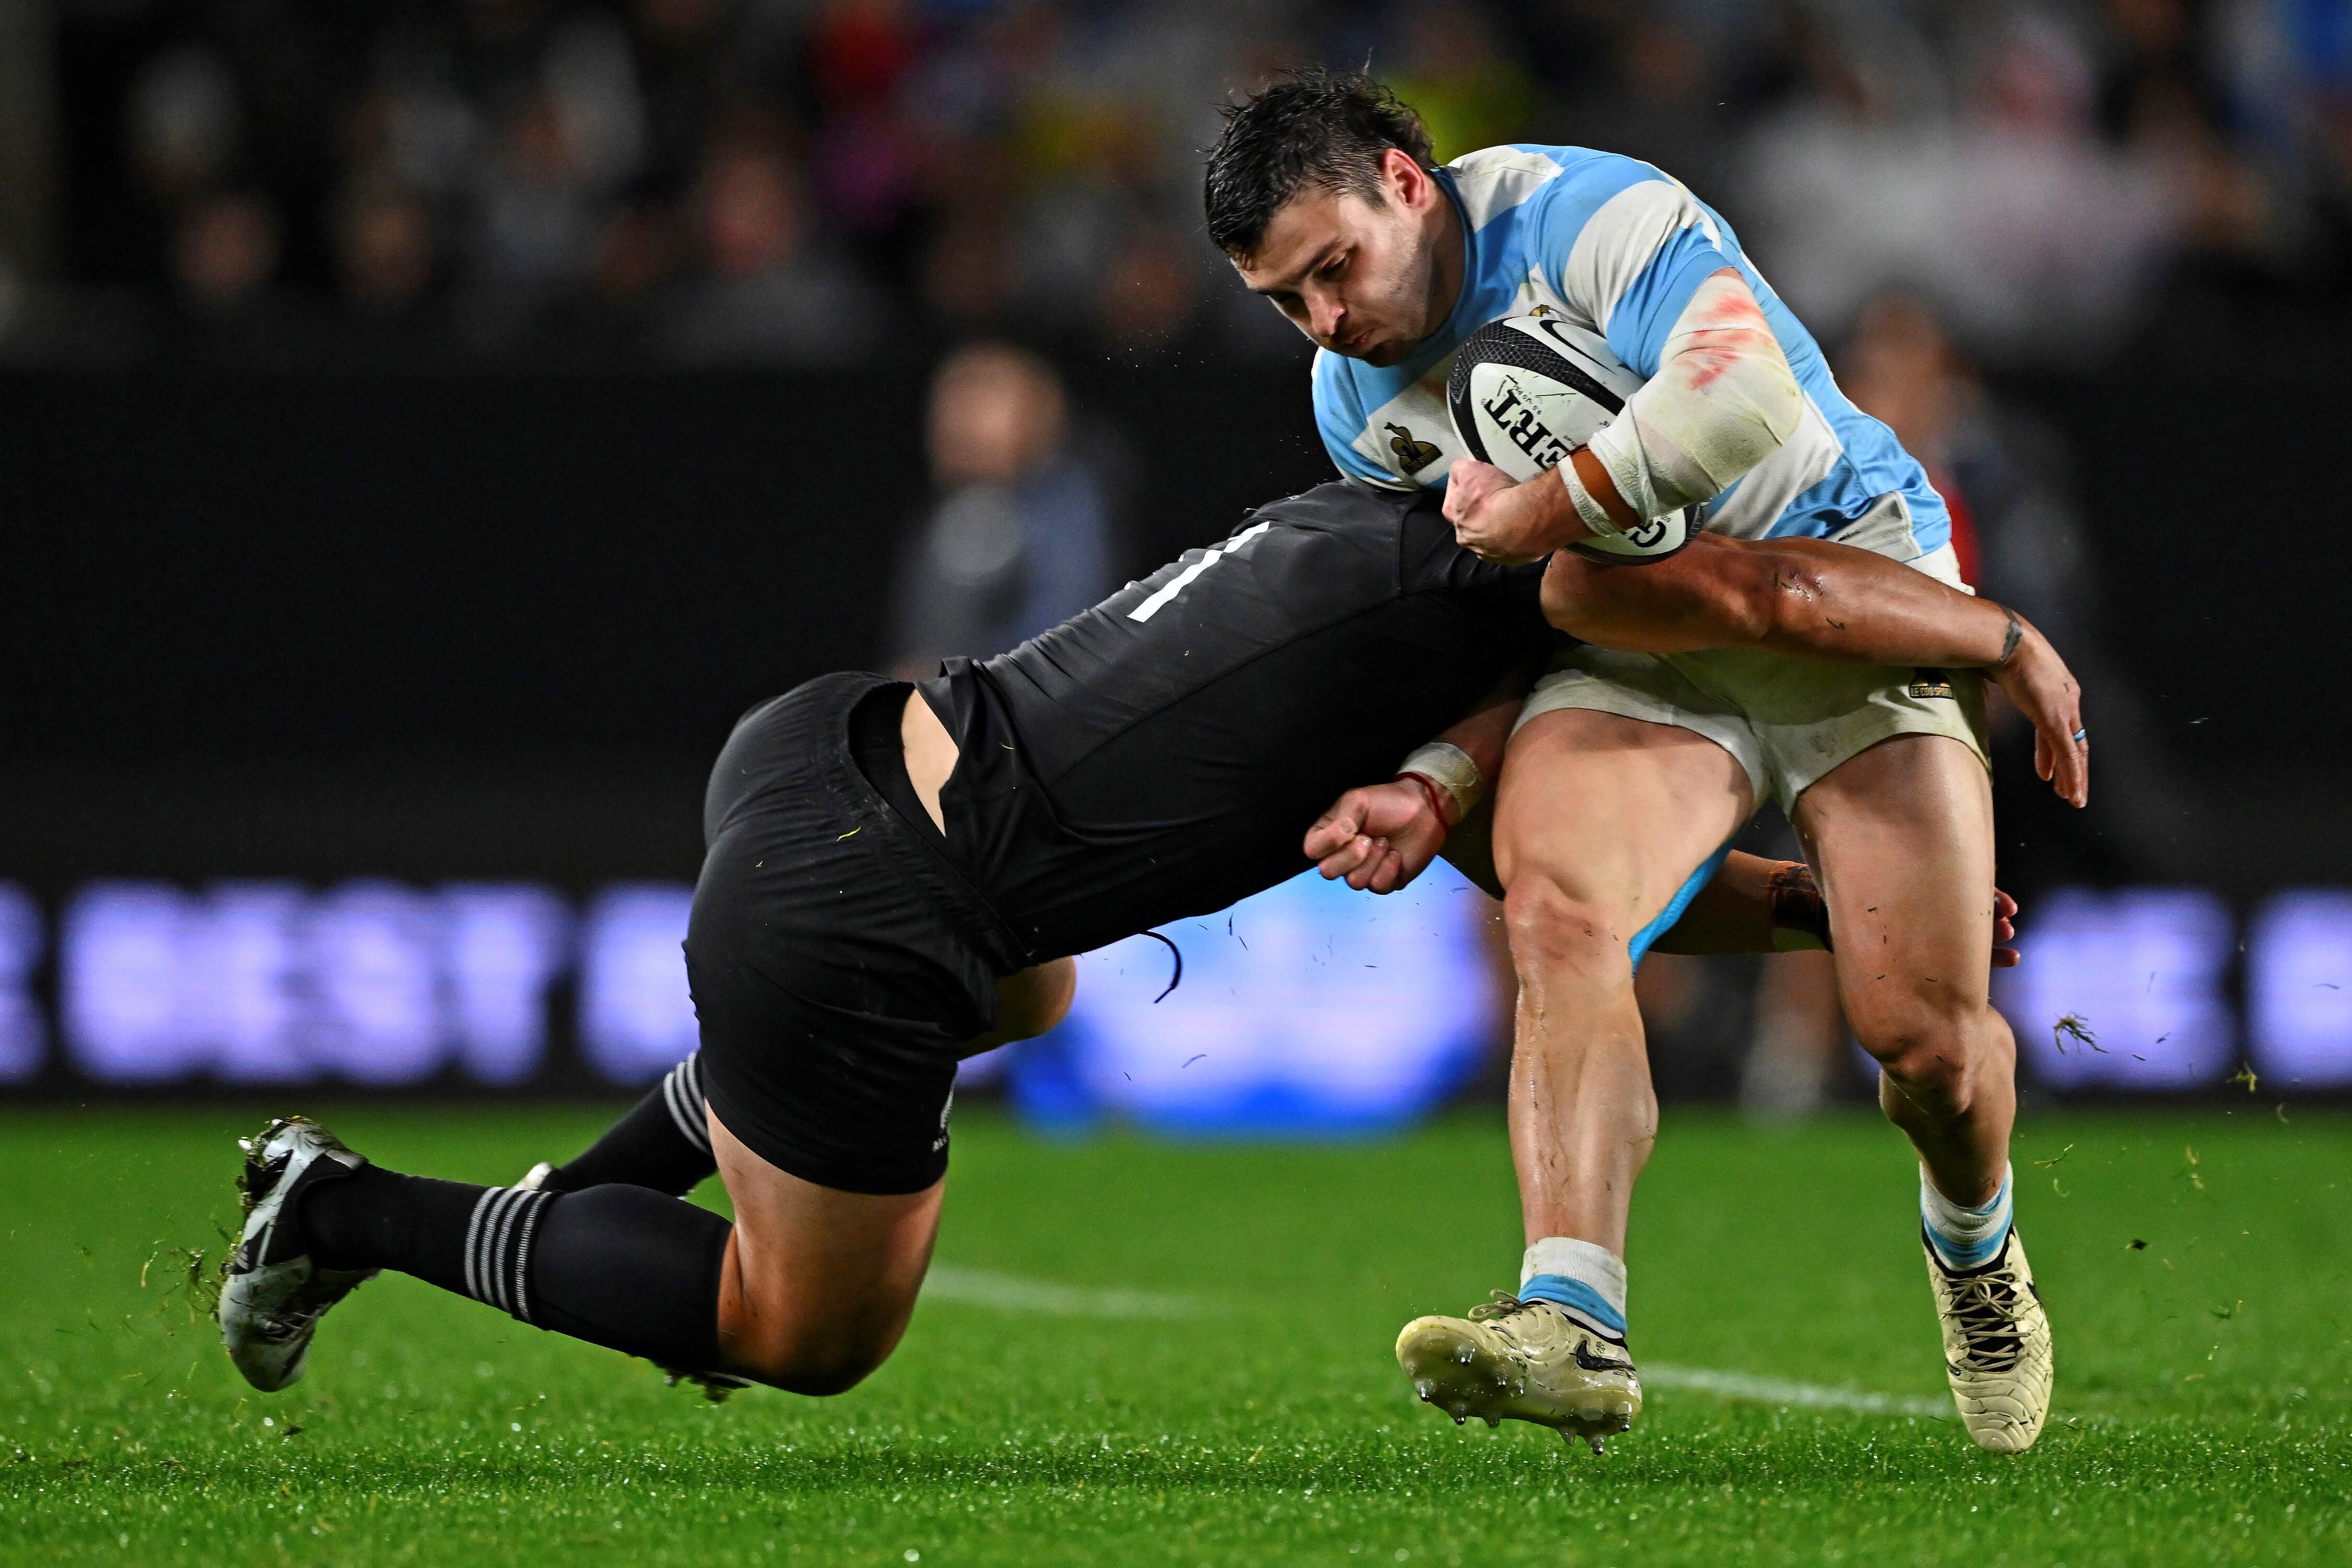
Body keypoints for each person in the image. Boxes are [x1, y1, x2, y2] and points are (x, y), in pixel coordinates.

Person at [216, 479, 2081, 1416]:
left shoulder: (1362, 524)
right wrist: (1997, 639)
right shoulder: (1543, 578)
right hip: (868, 907)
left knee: (1027, 993)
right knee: (800, 1331)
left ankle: (630, 1165)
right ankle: (346, 1214)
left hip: (834, 743)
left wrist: (1811, 910)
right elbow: (1759, 595)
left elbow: (1498, 846)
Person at [1204, 67, 2083, 1452]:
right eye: (1283, 302)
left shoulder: (1585, 212)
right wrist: (1435, 777)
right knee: (1557, 912)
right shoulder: (1349, 401)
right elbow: (1491, 625)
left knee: (1925, 1050)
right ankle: (1573, 1319)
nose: (1324, 320)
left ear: (1404, 185)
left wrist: (1544, 506)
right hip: (1637, 640)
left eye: (1332, 271)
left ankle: (1973, 1247)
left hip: (1835, 572)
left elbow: (1733, 409)